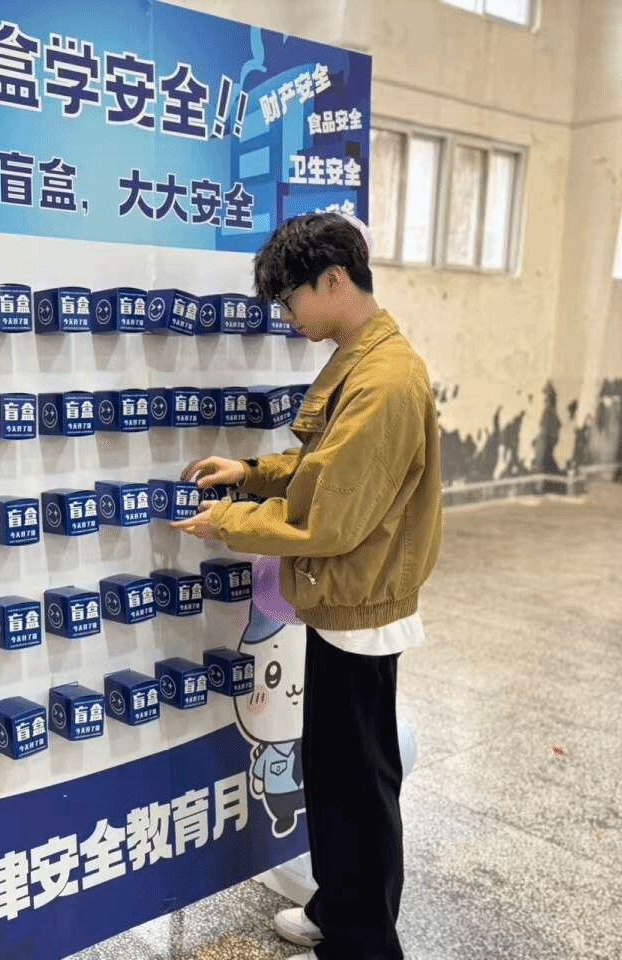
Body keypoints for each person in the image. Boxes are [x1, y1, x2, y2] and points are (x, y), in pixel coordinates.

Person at [173, 213, 443, 960]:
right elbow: (328, 467)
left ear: (333, 280)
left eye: (291, 299)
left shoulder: (384, 380)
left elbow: (329, 517)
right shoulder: (363, 359)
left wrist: (229, 520)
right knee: (334, 771)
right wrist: (253, 472)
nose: (287, 316)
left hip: (359, 602)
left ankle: (365, 943)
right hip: (343, 600)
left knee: (357, 782)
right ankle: (340, 907)